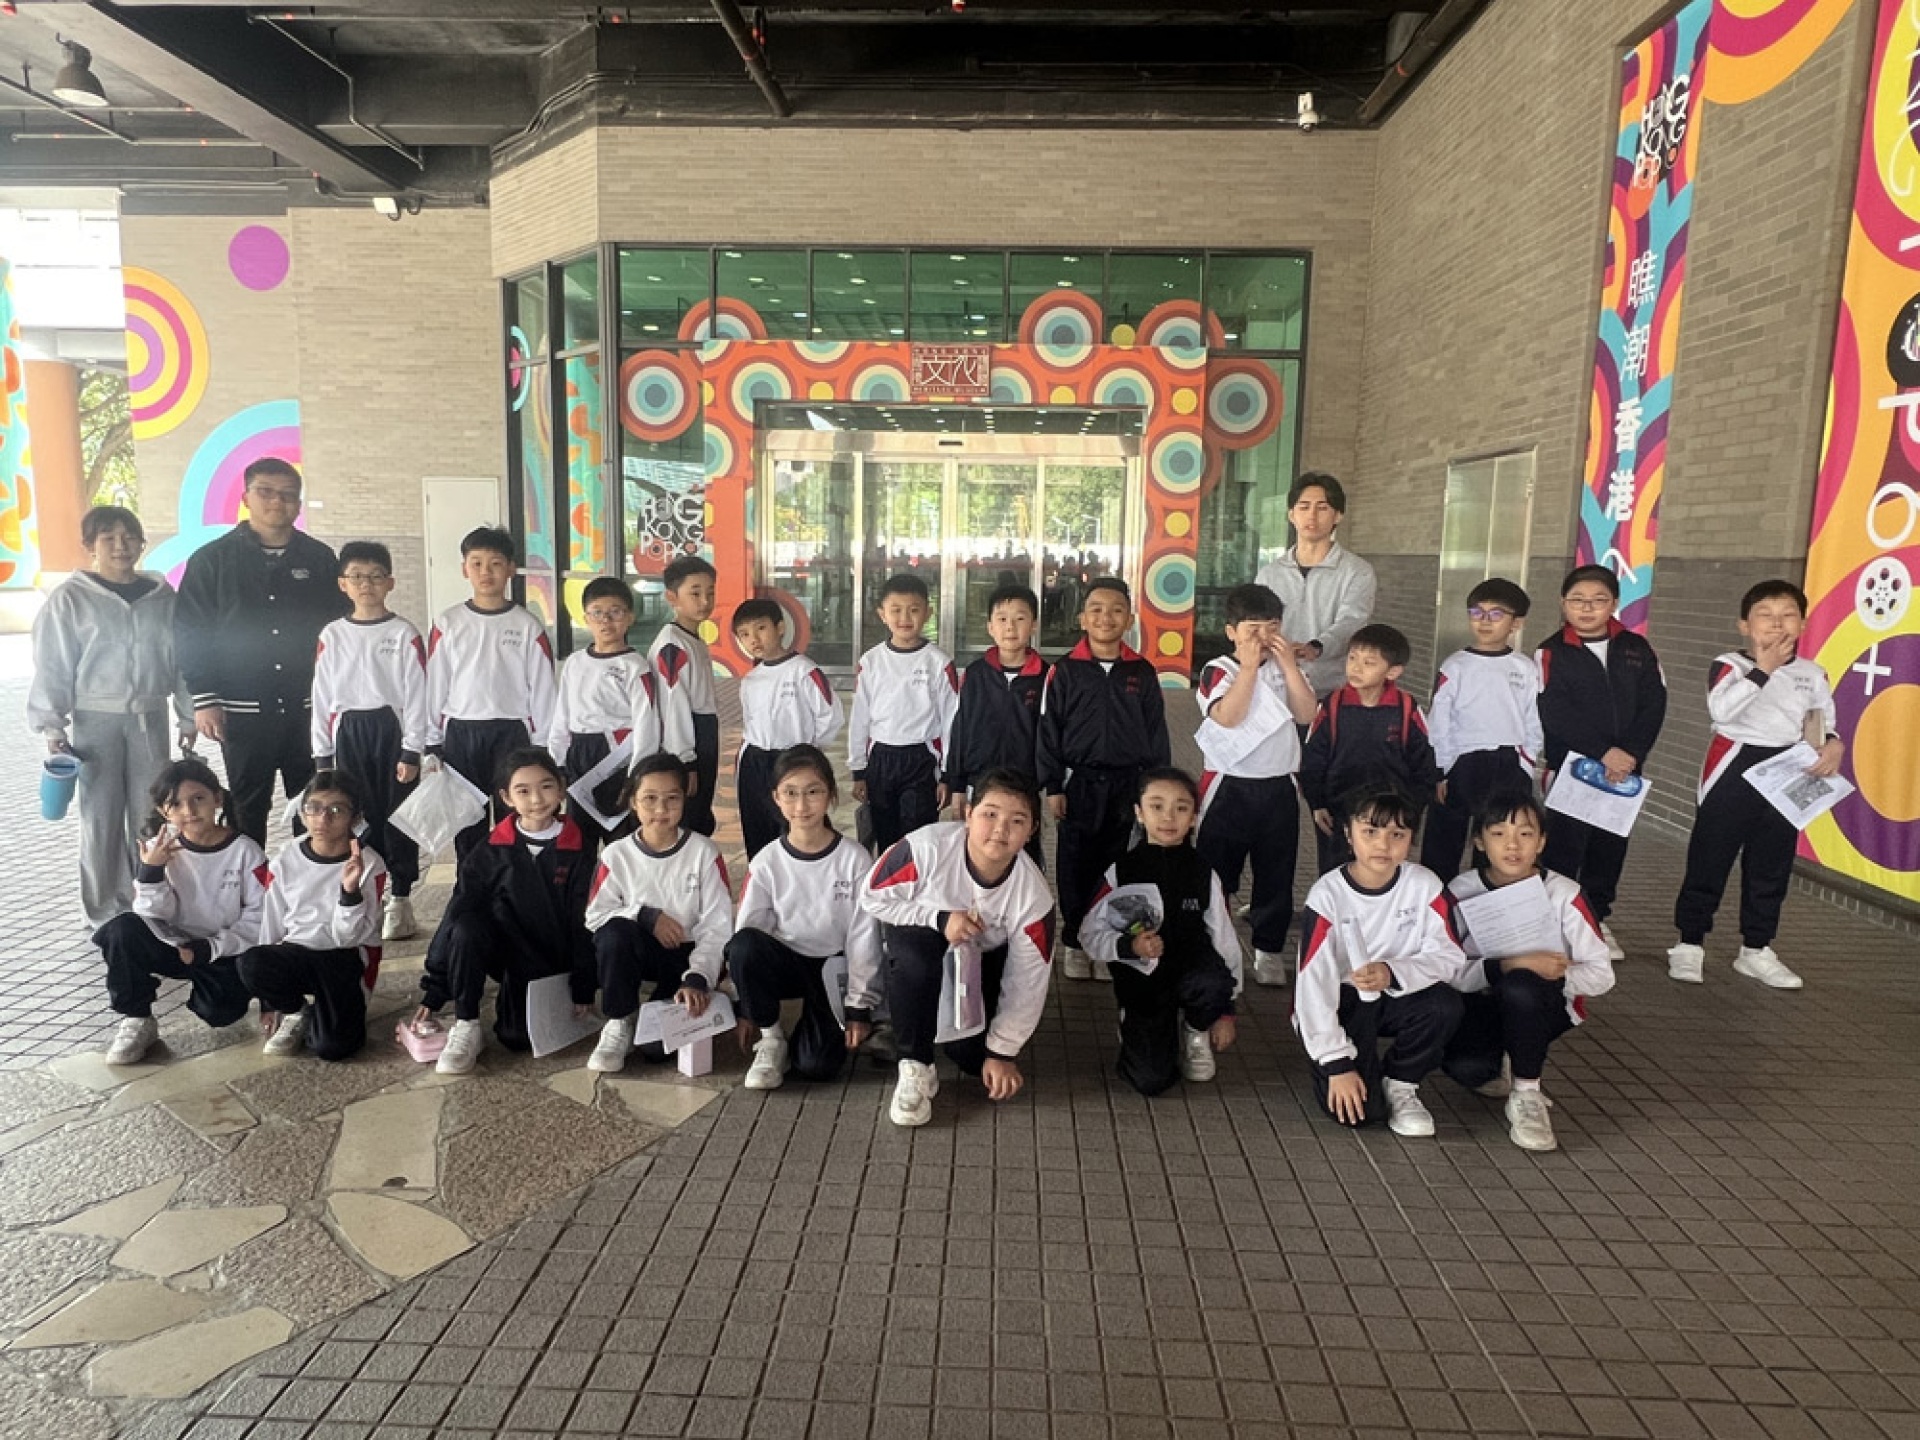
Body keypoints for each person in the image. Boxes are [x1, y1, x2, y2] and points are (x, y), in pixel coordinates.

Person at [854, 768, 1055, 1128]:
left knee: (971, 1058)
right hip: (923, 939)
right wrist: (939, 918)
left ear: (1032, 831)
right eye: (990, 814)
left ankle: (943, 1026)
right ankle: (915, 1064)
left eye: (1017, 820)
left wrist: (1002, 1051)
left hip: (981, 958)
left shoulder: (1034, 897)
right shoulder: (924, 848)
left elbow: (1028, 979)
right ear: (968, 814)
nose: (1000, 829)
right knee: (914, 957)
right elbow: (871, 896)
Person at [1667, 580, 1842, 990]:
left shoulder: (1812, 673)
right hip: (1734, 763)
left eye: (1788, 615)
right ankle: (1689, 943)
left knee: (1771, 863)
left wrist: (1833, 744)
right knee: (1710, 857)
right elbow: (1721, 711)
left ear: (1802, 624)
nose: (1777, 624)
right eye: (1766, 615)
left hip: (1789, 767)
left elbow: (1822, 722)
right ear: (1745, 625)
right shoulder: (1730, 664)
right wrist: (1764, 669)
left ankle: (1756, 948)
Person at [29, 504, 195, 926]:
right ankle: (106, 909)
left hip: (150, 719)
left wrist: (188, 716)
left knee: (153, 813)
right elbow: (53, 663)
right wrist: (52, 727)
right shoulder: (70, 599)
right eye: (108, 538)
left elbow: (183, 661)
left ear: (142, 543)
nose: (121, 546)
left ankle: (151, 900)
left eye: (129, 537)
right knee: (100, 817)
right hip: (94, 721)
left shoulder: (164, 598)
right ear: (90, 546)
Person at [174, 457, 345, 844]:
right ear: (246, 498)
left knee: (315, 802)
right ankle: (247, 880)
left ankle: (311, 876)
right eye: (265, 492)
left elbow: (339, 631)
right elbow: (191, 631)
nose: (276, 502)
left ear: (298, 504)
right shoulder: (212, 560)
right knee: (246, 806)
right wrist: (204, 699)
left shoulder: (319, 559)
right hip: (241, 711)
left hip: (308, 708)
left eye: (287, 495)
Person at [1442, 794, 1614, 1152]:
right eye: (1499, 834)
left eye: (1525, 834)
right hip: (1482, 1000)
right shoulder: (1461, 891)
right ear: (1479, 842)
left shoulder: (1564, 893)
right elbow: (1450, 970)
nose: (1512, 845)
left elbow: (1602, 974)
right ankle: (1511, 1054)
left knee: (1522, 987)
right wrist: (1510, 964)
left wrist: (1558, 973)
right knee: (1467, 1068)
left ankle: (1527, 1092)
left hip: (1543, 1001)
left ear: (1542, 842)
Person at [1294, 784, 1464, 1136]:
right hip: (1345, 1001)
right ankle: (1343, 1060)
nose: (1383, 845)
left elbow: (1450, 954)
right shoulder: (1327, 895)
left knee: (1444, 1005)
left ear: (1411, 838)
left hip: (1395, 994)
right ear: (1348, 833)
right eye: (1370, 832)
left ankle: (1401, 1083)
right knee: (1359, 1115)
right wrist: (1337, 1064)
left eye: (1397, 834)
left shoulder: (1425, 885)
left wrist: (1393, 972)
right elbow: (1312, 983)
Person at [416, 748, 595, 1076]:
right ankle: (467, 1023)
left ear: (561, 788)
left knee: (516, 1038)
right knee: (466, 926)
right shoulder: (489, 850)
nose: (536, 799)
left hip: (551, 959)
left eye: (546, 786)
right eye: (523, 791)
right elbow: (457, 911)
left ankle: (518, 1003)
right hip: (506, 954)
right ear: (506, 798)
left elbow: (583, 920)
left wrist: (583, 984)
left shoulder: (578, 850)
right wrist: (435, 990)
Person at [91, 758, 265, 1066]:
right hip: (177, 947)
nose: (189, 811)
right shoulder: (160, 848)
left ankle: (257, 993)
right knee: (121, 930)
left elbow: (260, 919)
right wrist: (151, 871)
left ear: (217, 799)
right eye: (176, 804)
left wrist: (210, 947)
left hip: (223, 951)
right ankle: (137, 1018)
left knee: (220, 1013)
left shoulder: (246, 851)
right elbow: (151, 914)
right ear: (164, 812)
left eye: (198, 799)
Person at [725, 745, 881, 1090]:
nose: (802, 805)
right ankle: (771, 1039)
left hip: (832, 969)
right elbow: (749, 935)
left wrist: (859, 1007)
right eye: (791, 793)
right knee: (743, 944)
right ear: (776, 798)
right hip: (787, 964)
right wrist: (746, 1005)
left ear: (830, 795)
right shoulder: (767, 862)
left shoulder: (855, 860)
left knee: (816, 1066)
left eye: (813, 792)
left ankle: (814, 1026)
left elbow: (863, 939)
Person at [1037, 577, 1169, 980]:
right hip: (1079, 785)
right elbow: (1048, 731)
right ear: (1082, 618)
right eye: (1096, 609)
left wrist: (1155, 792)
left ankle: (1112, 942)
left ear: (1129, 619)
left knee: (1119, 867)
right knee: (1075, 866)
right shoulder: (1064, 670)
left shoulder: (1141, 671)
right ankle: (1076, 942)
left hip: (1128, 786)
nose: (1105, 617)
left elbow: (1157, 732)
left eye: (1115, 610)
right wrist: (1053, 786)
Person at [1079, 769, 1240, 1096]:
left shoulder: (1204, 872)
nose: (1169, 817)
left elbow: (1225, 940)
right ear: (1139, 813)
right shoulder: (1121, 871)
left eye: (1181, 808)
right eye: (1156, 806)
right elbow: (1089, 934)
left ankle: (1195, 1027)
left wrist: (1225, 1010)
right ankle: (1133, 1022)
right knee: (1151, 1080)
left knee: (1213, 982)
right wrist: (1129, 946)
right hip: (1144, 979)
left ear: (1194, 818)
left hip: (1192, 969)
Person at [1536, 565, 1666, 961]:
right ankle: (1555, 921)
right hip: (1572, 769)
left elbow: (1654, 704)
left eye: (1598, 600)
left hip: (1623, 772)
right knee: (1564, 847)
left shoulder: (1636, 649)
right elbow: (1553, 710)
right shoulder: (1551, 652)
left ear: (1614, 604)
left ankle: (1596, 920)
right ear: (1564, 604)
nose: (1587, 608)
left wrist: (1631, 754)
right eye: (1577, 600)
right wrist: (1601, 751)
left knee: (1609, 848)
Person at [1193, 582, 1316, 986]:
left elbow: (1306, 713)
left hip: (1278, 786)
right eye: (1252, 630)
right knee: (1217, 873)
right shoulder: (1218, 670)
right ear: (1231, 632)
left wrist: (1290, 668)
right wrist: (1248, 669)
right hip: (1228, 786)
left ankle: (1268, 949)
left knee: (1276, 872)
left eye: (1272, 628)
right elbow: (1227, 717)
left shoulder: (1287, 668)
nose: (1263, 638)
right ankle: (1213, 944)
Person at [584, 754, 731, 1072]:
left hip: (686, 959)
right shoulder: (617, 854)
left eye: (671, 798)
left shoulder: (703, 852)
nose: (661, 809)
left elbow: (718, 925)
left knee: (654, 1048)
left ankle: (708, 994)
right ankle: (619, 1019)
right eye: (650, 798)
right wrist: (645, 916)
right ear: (633, 802)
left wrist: (697, 977)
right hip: (640, 953)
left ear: (684, 799)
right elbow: (595, 916)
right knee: (613, 934)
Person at [310, 541, 427, 941]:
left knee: (398, 816)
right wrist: (323, 755)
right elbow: (321, 697)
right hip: (349, 734)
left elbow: (417, 695)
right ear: (342, 583)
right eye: (357, 576)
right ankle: (362, 892)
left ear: (390, 582)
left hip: (392, 732)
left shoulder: (403, 633)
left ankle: (401, 897)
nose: (366, 584)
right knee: (355, 815)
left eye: (376, 576)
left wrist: (412, 749)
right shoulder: (333, 635)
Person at [425, 527, 558, 862]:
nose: (486, 572)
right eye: (477, 563)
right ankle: (469, 884)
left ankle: (511, 881)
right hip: (461, 734)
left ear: (511, 569)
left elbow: (543, 687)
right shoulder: (448, 622)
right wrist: (432, 741)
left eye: (496, 563)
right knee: (466, 822)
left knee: (514, 817)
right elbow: (436, 683)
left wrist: (543, 744)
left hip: (512, 734)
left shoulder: (527, 625)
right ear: (464, 569)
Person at [237, 770, 389, 1062]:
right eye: (314, 808)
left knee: (333, 1048)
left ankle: (328, 1012)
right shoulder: (285, 858)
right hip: (297, 952)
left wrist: (349, 892)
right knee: (252, 962)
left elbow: (349, 938)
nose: (323, 819)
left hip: (343, 957)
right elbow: (271, 925)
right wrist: (270, 1002)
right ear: (302, 814)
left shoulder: (370, 865)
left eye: (337, 810)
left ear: (355, 818)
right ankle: (297, 1011)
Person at [1419, 578, 1543, 879]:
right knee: (1445, 838)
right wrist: (1442, 769)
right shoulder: (1455, 666)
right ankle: (1439, 897)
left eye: (1496, 614)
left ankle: (1489, 899)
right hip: (1462, 763)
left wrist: (1526, 764)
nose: (1485, 621)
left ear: (1516, 623)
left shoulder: (1524, 667)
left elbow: (1533, 719)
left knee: (1497, 838)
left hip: (1509, 762)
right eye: (1477, 613)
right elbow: (1440, 720)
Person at [548, 576, 679, 849]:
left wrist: (636, 775)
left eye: (615, 612)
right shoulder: (574, 663)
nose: (606, 620)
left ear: (630, 617)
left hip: (618, 756)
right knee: (578, 836)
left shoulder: (635, 666)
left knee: (620, 835)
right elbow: (562, 716)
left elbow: (646, 723)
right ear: (585, 618)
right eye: (597, 613)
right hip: (580, 755)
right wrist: (557, 763)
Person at [1299, 623, 1440, 874]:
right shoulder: (1332, 706)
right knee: (1336, 872)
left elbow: (1424, 764)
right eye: (1352, 658)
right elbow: (1313, 759)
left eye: (1369, 662)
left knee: (1385, 871)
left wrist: (1412, 810)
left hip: (1391, 814)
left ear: (1393, 671)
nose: (1356, 667)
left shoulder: (1406, 709)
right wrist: (1317, 803)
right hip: (1338, 812)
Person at [849, 573, 959, 855]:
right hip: (881, 760)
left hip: (922, 760)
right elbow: (860, 717)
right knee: (885, 836)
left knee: (919, 838)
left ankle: (920, 882)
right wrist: (858, 769)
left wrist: (948, 775)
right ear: (882, 614)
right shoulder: (871, 662)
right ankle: (888, 882)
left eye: (913, 610)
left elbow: (951, 721)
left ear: (928, 613)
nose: (905, 618)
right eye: (896, 610)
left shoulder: (938, 663)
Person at [943, 583, 1050, 867]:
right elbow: (961, 729)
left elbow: (1051, 734)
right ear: (990, 627)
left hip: (1024, 783)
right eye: (1002, 619)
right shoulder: (976, 674)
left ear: (1034, 625)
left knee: (1024, 854)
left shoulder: (1047, 677)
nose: (1010, 627)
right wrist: (956, 784)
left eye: (1020, 618)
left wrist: (1050, 783)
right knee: (977, 850)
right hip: (980, 781)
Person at [733, 597, 843, 860]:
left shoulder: (804, 670)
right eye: (744, 634)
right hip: (754, 762)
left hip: (792, 761)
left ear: (780, 628)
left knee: (796, 825)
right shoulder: (750, 679)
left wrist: (808, 754)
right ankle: (762, 876)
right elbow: (751, 724)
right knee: (756, 827)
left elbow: (830, 716)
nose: (754, 639)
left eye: (761, 628)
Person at [1253, 472, 1378, 700]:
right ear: (1291, 514)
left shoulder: (1357, 571)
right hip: (1275, 688)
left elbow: (1351, 622)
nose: (1312, 515)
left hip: (1330, 689)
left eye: (1322, 508)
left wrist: (1316, 647)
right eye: (1304, 507)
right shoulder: (1270, 574)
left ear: (1338, 515)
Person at [649, 556, 721, 837]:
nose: (705, 601)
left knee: (700, 814)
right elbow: (673, 707)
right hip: (688, 740)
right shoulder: (672, 645)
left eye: (710, 592)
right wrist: (685, 761)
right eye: (695, 593)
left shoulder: (692, 639)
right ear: (672, 597)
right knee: (688, 819)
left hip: (703, 732)